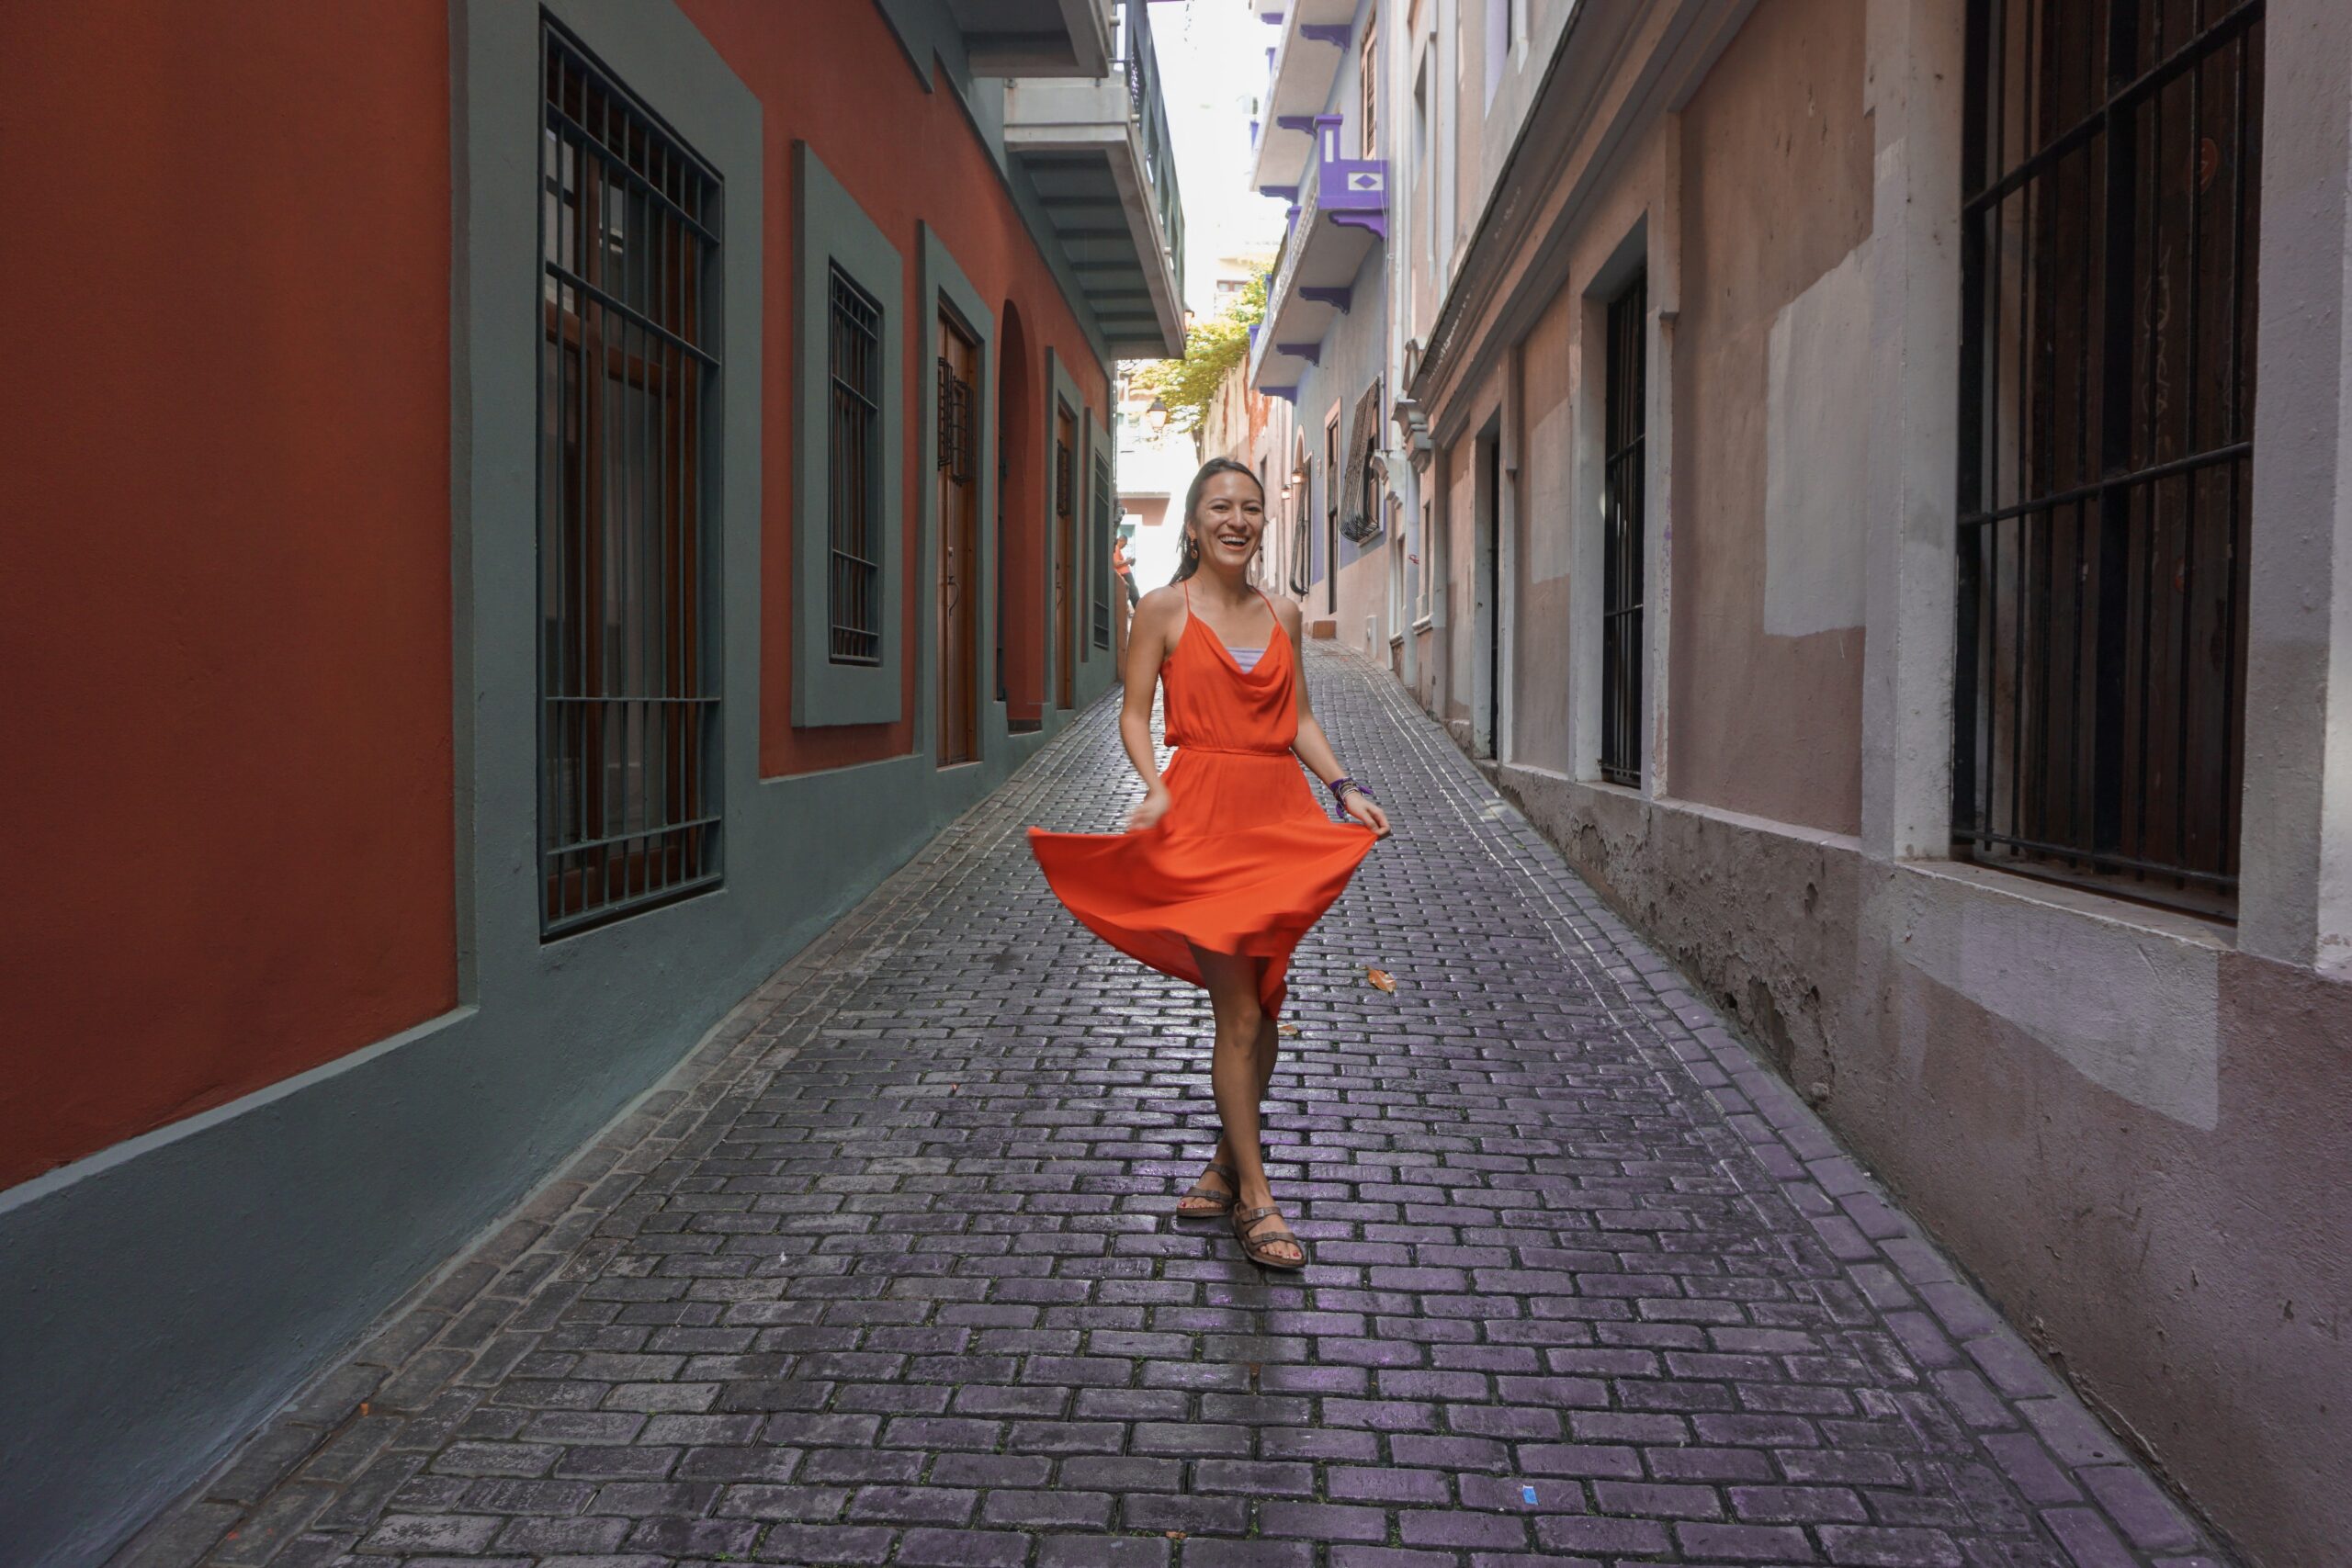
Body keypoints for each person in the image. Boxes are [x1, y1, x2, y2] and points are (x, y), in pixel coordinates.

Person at [1027, 457, 1393, 1269]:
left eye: (1252, 508)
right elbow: (1132, 714)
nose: (1238, 519)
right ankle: (1257, 1198)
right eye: (1221, 507)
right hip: (1202, 816)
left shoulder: (1284, 613)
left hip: (1280, 819)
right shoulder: (1162, 609)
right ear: (1193, 525)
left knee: (1265, 998)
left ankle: (1227, 1161)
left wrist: (1344, 787)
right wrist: (1154, 786)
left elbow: (1296, 716)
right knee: (1240, 1013)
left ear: (1264, 524)